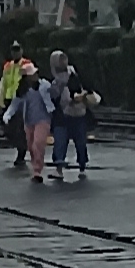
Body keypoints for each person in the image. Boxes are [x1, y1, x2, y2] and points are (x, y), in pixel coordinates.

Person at [48, 51, 92, 180]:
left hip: (75, 112)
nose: (63, 62)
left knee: (80, 142)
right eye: (60, 60)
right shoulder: (57, 79)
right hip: (63, 114)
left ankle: (81, 165)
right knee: (61, 142)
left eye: (64, 59)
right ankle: (59, 167)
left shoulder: (73, 74)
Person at [9, 61, 54, 185]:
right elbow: (15, 103)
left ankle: (37, 170)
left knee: (38, 144)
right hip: (29, 121)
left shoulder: (44, 85)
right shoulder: (23, 90)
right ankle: (35, 166)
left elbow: (54, 92)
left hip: (43, 120)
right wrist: (8, 114)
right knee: (31, 146)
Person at [0, 51, 26, 168]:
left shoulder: (26, 65)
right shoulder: (8, 66)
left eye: (17, 50)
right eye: (13, 50)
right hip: (9, 100)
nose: (15, 52)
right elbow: (3, 84)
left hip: (21, 101)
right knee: (9, 129)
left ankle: (21, 153)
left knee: (19, 129)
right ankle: (21, 148)